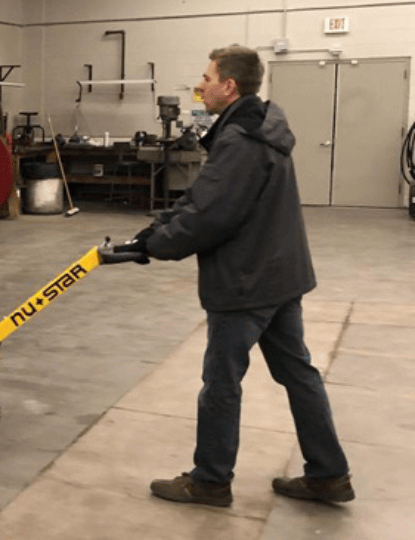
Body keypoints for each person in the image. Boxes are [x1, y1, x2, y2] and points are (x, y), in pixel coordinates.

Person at [122, 45, 353, 507]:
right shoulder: (257, 128)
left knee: (221, 383)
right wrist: (156, 229)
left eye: (207, 78)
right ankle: (329, 475)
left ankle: (210, 480)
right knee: (299, 374)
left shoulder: (240, 140)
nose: (200, 85)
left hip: (246, 281)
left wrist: (157, 246)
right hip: (280, 275)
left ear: (229, 86)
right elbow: (203, 198)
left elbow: (210, 216)